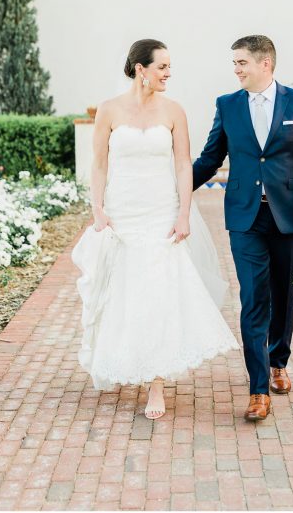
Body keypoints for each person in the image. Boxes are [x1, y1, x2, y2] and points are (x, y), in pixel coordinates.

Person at [72, 38, 239, 420]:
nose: (168, 73)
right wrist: (97, 209)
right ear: (140, 68)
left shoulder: (175, 112)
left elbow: (184, 165)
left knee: (160, 292)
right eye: (162, 67)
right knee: (123, 291)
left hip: (161, 212)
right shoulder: (109, 111)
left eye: (169, 67)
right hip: (122, 211)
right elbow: (99, 164)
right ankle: (122, 359)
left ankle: (157, 384)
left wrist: (183, 213)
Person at [193, 35, 293, 422]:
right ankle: (258, 388)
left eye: (242, 62)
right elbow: (211, 158)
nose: (236, 69)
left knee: (283, 295)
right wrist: (175, 191)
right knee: (254, 299)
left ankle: (279, 360)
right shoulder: (227, 106)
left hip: (287, 216)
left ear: (266, 64)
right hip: (245, 218)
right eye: (234, 63)